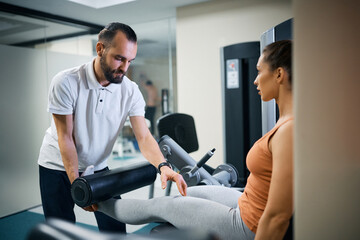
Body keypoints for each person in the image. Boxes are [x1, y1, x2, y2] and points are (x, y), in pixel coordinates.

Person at [94, 40, 294, 239]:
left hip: (246, 223)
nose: (255, 80)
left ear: (278, 74)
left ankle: (95, 202)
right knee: (184, 195)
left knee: (162, 205)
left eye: (260, 71)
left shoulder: (289, 131)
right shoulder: (286, 120)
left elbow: (277, 216)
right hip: (246, 201)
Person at [37, 22, 187, 233]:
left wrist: (163, 166)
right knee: (60, 230)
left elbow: (143, 137)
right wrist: (78, 185)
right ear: (100, 49)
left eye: (130, 61)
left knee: (115, 227)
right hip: (57, 166)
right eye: (119, 58)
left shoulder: (131, 91)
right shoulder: (66, 82)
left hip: (98, 166)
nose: (125, 68)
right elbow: (66, 137)